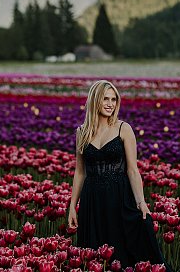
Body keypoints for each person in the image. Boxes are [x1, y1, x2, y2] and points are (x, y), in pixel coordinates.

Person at [68, 80, 172, 271]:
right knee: (94, 256)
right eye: (105, 99)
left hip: (119, 198)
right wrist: (72, 207)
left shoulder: (124, 128)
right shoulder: (81, 132)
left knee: (122, 254)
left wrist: (141, 203)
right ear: (94, 101)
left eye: (113, 99)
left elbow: (132, 170)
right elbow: (80, 171)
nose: (110, 104)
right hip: (92, 201)